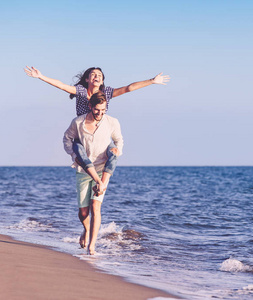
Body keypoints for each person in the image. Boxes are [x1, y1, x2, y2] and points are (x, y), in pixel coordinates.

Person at [25, 66, 169, 194]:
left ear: (102, 81)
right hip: (82, 134)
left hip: (101, 133)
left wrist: (152, 80)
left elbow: (128, 88)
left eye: (99, 75)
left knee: (114, 152)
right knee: (79, 152)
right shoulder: (81, 91)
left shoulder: (105, 93)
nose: (97, 76)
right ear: (87, 79)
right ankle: (96, 180)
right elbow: (62, 86)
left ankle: (102, 183)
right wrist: (41, 76)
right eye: (93, 74)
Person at [63, 91, 123, 255]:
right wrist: (73, 155)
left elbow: (119, 140)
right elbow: (67, 138)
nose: (100, 114)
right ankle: (86, 230)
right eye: (97, 110)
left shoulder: (111, 122)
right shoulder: (78, 122)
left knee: (96, 206)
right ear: (90, 106)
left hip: (102, 171)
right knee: (83, 213)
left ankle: (92, 246)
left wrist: (118, 149)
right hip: (83, 170)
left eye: (103, 110)